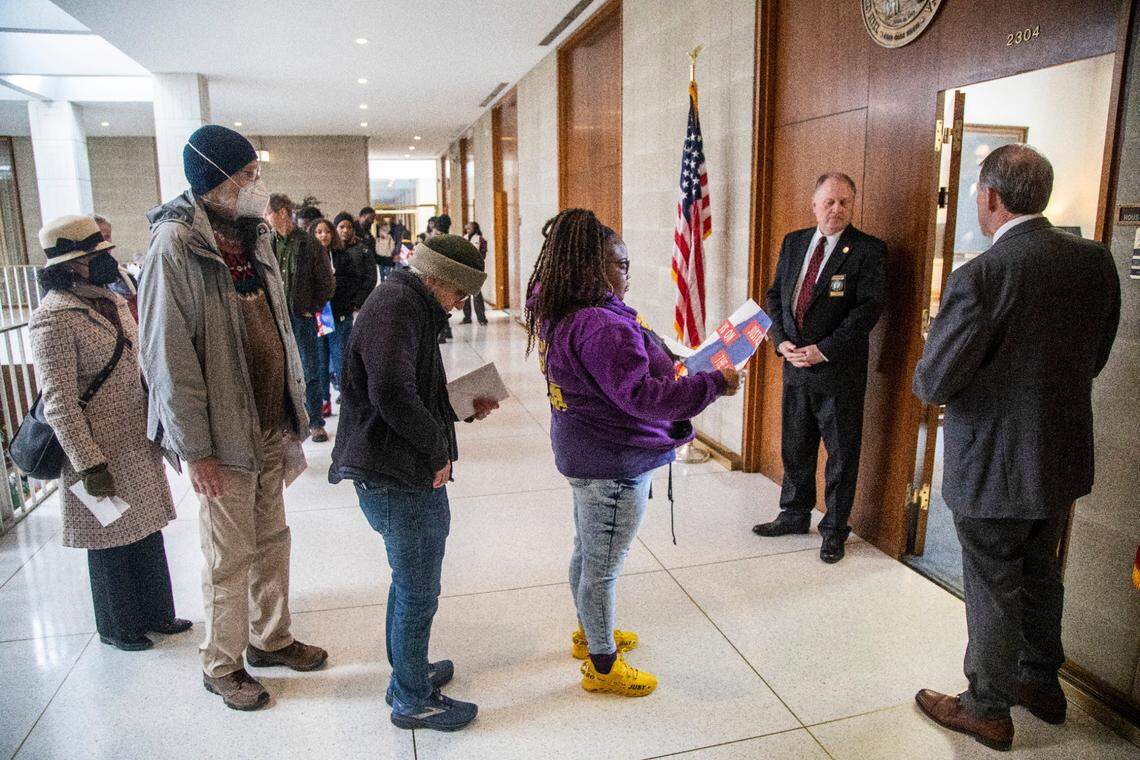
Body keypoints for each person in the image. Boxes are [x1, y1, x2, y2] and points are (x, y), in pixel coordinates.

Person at [912, 145, 1120, 752]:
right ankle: (1041, 683)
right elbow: (1097, 356)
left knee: (994, 581)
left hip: (994, 466)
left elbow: (934, 381)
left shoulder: (980, 276)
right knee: (1039, 572)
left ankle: (987, 707)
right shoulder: (1094, 262)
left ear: (991, 199)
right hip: (1059, 457)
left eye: (978, 195)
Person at [139, 124, 327, 712]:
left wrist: (296, 413)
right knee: (228, 556)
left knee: (273, 539)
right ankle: (221, 663)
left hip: (269, 424)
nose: (256, 185)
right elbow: (167, 358)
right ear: (216, 180)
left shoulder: (255, 239)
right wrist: (195, 450)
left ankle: (270, 638)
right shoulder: (175, 246)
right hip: (220, 439)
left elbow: (279, 329)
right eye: (247, 175)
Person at [525, 208, 742, 697]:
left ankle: (589, 632)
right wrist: (713, 385)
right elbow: (641, 397)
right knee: (602, 568)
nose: (628, 273)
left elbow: (631, 367)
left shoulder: (561, 309)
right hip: (613, 463)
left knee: (587, 552)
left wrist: (683, 362)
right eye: (620, 263)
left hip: (585, 452)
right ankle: (603, 666)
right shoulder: (601, 324)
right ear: (591, 266)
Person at [329, 234, 497, 732]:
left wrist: (461, 407)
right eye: (459, 293)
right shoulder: (397, 306)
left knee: (409, 582)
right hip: (394, 474)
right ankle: (412, 699)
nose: (460, 303)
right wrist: (437, 449)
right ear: (437, 278)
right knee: (418, 589)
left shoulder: (410, 303)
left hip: (397, 466)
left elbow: (414, 389)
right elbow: (390, 394)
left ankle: (407, 673)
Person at [29, 215, 190, 653]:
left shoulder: (111, 301)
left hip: (135, 440)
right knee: (110, 541)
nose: (108, 260)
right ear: (73, 265)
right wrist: (87, 462)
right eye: (97, 255)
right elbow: (59, 401)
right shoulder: (53, 317)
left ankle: (158, 612)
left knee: (147, 529)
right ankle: (118, 625)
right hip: (97, 448)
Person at [752, 172, 886, 564]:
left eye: (845, 202)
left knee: (841, 454)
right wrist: (781, 341)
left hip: (837, 370)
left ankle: (834, 530)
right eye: (829, 202)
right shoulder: (794, 243)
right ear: (814, 205)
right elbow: (776, 295)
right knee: (795, 443)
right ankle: (794, 513)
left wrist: (822, 350)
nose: (836, 210)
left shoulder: (867, 250)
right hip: (794, 364)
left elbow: (867, 311)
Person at [264, 193, 335, 442]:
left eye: (268, 213)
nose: (265, 218)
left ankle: (315, 422)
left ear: (282, 213)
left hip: (301, 318)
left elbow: (327, 283)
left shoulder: (309, 244)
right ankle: (288, 423)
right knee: (279, 372)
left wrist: (312, 307)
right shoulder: (266, 244)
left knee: (309, 369)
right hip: (274, 319)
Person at [330, 212, 378, 394]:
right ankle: (340, 384)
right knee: (334, 351)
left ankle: (352, 386)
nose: (345, 230)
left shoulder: (363, 249)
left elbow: (370, 278)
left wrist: (358, 301)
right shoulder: (330, 251)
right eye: (341, 227)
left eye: (348, 227)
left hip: (357, 306)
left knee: (350, 348)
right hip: (334, 308)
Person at [460, 221, 488, 325]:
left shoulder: (480, 239)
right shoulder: (464, 238)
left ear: (475, 229)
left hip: (475, 269)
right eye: (467, 229)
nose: (468, 230)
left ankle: (482, 318)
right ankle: (467, 317)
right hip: (465, 269)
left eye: (470, 228)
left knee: (476, 294)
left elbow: (482, 254)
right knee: (465, 294)